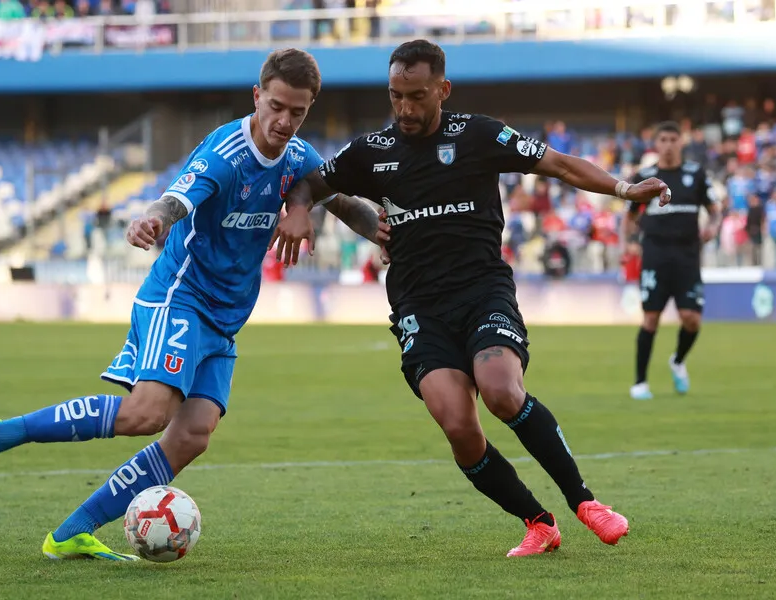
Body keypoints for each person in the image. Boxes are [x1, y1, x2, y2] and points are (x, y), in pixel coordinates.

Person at [0, 48, 381, 560]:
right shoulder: (225, 154)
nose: (283, 121)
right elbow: (178, 198)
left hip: (225, 320)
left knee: (192, 435)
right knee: (147, 414)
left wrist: (386, 235)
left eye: (296, 112)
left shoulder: (298, 158)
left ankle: (69, 534)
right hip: (180, 298)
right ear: (257, 96)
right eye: (275, 106)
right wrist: (154, 218)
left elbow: (344, 202)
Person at [274, 39, 670, 558]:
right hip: (418, 306)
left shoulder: (480, 134)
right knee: (458, 425)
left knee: (501, 390)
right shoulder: (373, 151)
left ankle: (585, 502)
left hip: (482, 291)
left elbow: (558, 164)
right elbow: (310, 183)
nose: (405, 109)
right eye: (396, 96)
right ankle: (537, 522)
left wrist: (622, 190)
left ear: (443, 89)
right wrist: (300, 207)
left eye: (416, 96)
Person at [620, 121, 721, 401]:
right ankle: (640, 382)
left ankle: (677, 360)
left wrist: (714, 225)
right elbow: (628, 216)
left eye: (672, 139)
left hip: (688, 255)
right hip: (655, 254)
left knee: (691, 319)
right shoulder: (646, 176)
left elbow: (715, 210)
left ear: (681, 142)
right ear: (656, 144)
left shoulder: (696, 174)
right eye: (662, 139)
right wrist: (627, 244)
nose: (668, 144)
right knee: (651, 317)